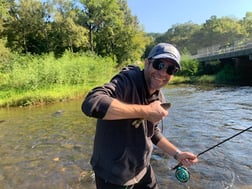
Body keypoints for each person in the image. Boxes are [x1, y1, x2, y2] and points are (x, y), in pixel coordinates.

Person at [81, 43, 198, 189]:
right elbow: (91, 103)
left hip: (143, 170)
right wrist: (145, 111)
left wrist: (177, 154)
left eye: (170, 69)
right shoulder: (126, 81)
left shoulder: (159, 97)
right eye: (159, 64)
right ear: (147, 63)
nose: (163, 73)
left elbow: (153, 132)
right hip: (112, 177)